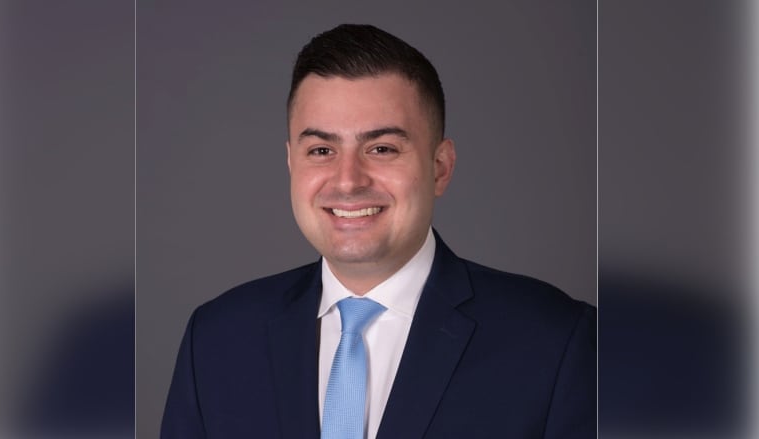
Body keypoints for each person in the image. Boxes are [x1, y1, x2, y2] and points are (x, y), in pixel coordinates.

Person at [161, 24, 595, 439]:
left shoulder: (557, 341)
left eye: (382, 148)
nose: (348, 180)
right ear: (292, 162)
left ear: (440, 167)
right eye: (322, 150)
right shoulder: (217, 339)